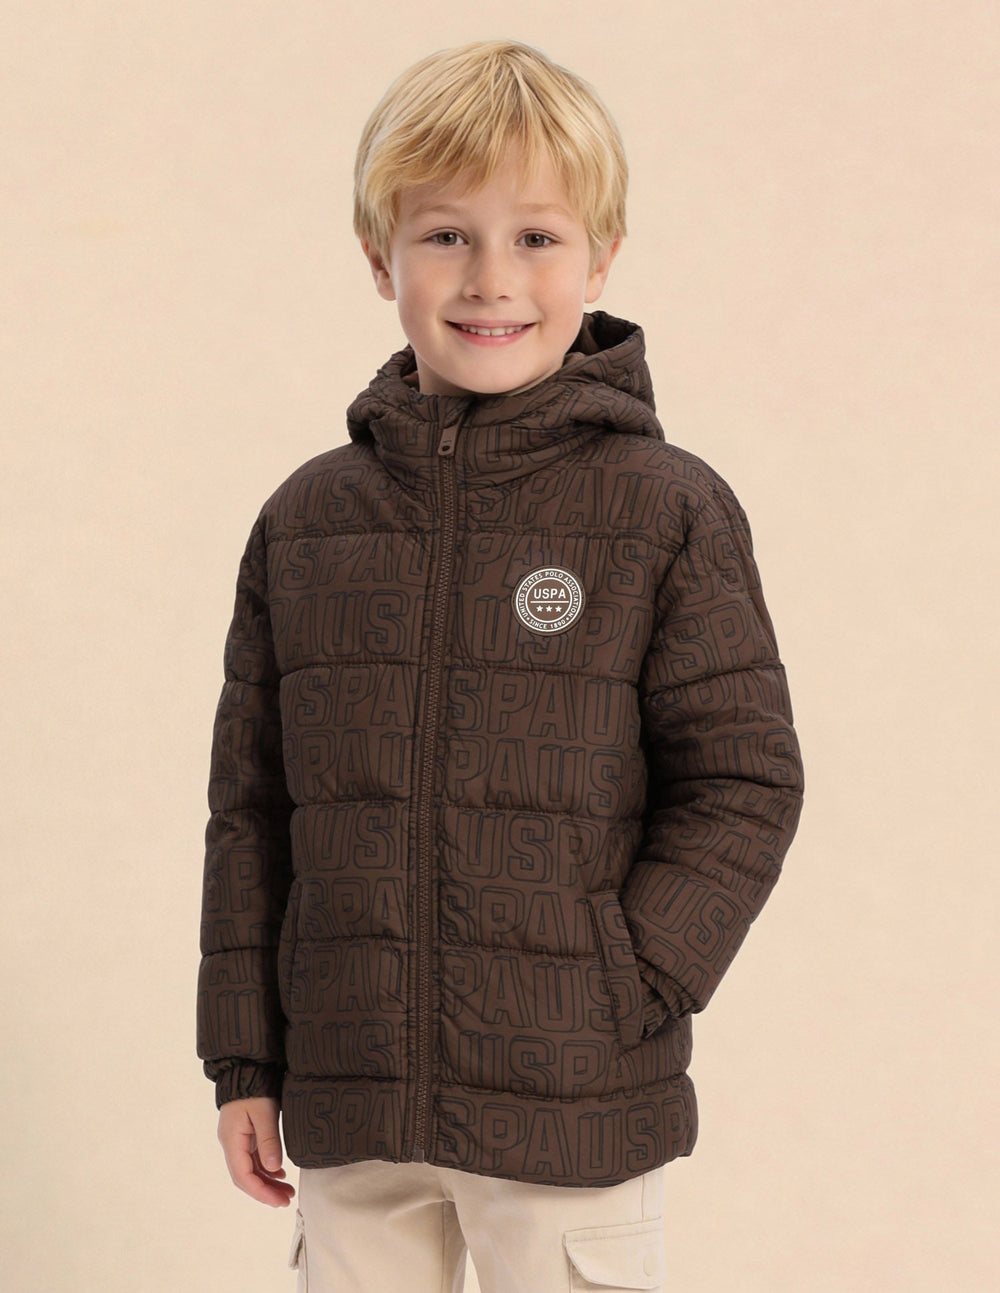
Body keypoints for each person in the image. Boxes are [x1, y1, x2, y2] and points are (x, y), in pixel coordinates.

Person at [197, 39, 804, 1293]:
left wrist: (627, 980)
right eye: (444, 237)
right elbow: (251, 812)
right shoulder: (308, 522)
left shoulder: (663, 509)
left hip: (571, 1109)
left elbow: (742, 781)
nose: (490, 279)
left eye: (535, 238)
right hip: (353, 1099)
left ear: (600, 256)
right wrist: (245, 1062)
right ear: (380, 257)